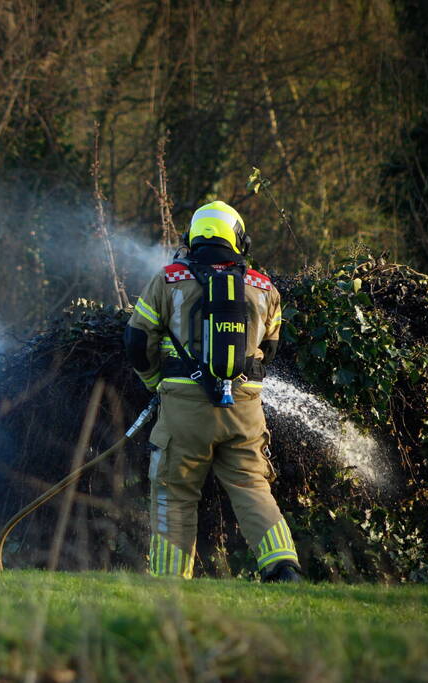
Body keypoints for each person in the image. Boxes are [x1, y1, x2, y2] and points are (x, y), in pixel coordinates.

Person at [123, 200, 302, 582]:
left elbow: (137, 342)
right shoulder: (264, 287)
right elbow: (268, 352)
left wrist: (157, 384)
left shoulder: (169, 279)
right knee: (252, 485)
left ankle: (170, 582)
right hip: (244, 409)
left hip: (184, 412)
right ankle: (283, 565)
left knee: (174, 491)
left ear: (193, 237)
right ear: (238, 239)